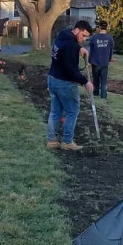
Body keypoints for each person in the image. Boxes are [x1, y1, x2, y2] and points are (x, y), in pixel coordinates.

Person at [47, 20, 94, 151]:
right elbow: (71, 71)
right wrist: (86, 82)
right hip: (65, 83)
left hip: (52, 79)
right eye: (83, 35)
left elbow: (67, 48)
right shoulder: (71, 46)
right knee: (72, 111)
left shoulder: (63, 34)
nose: (84, 39)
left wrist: (80, 48)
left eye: (86, 37)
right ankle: (67, 142)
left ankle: (52, 141)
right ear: (77, 30)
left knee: (55, 112)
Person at [88, 20, 115, 98]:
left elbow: (91, 50)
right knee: (104, 80)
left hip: (95, 62)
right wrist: (109, 59)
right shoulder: (110, 38)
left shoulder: (94, 37)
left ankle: (95, 93)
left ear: (99, 27)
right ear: (106, 27)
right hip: (104, 63)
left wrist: (89, 61)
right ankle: (103, 95)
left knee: (95, 79)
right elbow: (111, 50)